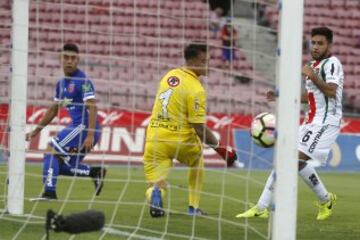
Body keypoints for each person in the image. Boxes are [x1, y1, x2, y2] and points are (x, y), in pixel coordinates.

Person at [236, 27, 343, 220]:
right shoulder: (312, 65)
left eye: (321, 43)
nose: (316, 46)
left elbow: (331, 92)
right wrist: (281, 96)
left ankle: (261, 207)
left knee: (291, 159)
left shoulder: (332, 64)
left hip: (327, 121)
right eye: (314, 42)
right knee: (294, 160)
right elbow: (310, 96)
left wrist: (312, 76)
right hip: (311, 120)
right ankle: (326, 199)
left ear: (329, 45)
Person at [143, 43, 237, 217]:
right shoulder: (196, 89)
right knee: (197, 161)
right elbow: (199, 128)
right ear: (194, 61)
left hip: (155, 138)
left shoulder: (168, 76)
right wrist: (220, 149)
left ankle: (156, 194)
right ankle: (193, 207)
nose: (209, 65)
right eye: (205, 61)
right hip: (180, 140)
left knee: (156, 183)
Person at [26, 43, 106, 200]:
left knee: (51, 150)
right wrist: (35, 132)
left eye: (73, 58)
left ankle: (49, 192)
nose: (69, 61)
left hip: (84, 128)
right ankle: (95, 172)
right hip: (82, 130)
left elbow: (93, 107)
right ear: (60, 59)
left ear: (78, 60)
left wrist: (90, 135)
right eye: (66, 57)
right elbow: (53, 110)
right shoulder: (61, 84)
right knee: (63, 165)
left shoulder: (82, 80)